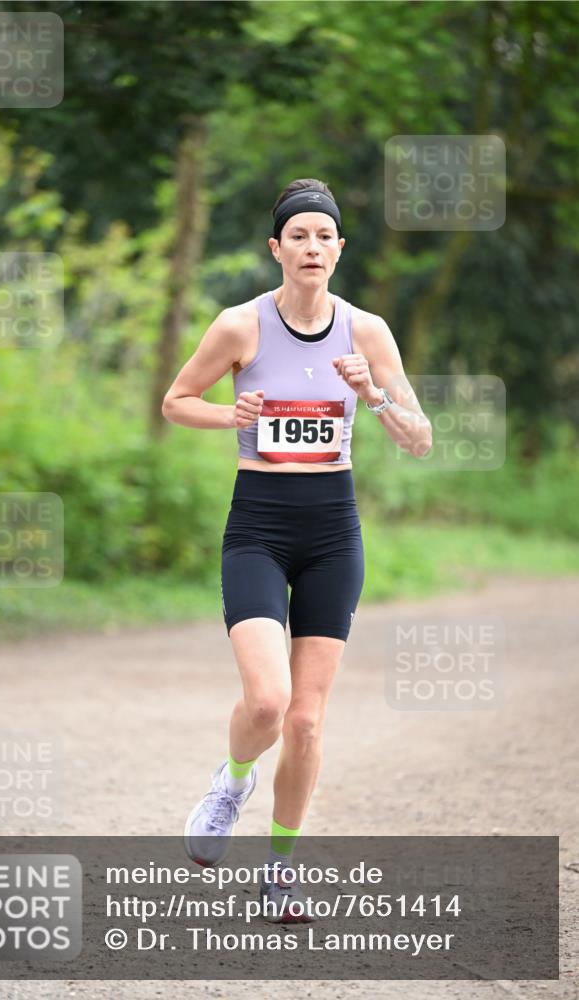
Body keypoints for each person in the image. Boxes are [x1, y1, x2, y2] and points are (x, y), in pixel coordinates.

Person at [162, 178, 432, 923]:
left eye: (324, 237)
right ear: (276, 249)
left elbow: (419, 437)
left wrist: (372, 395)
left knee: (308, 721)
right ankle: (231, 781)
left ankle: (280, 870)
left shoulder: (366, 332)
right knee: (268, 701)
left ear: (339, 250)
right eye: (298, 237)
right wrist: (230, 414)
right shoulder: (238, 325)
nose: (312, 248)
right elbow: (175, 400)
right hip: (257, 527)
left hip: (331, 533)